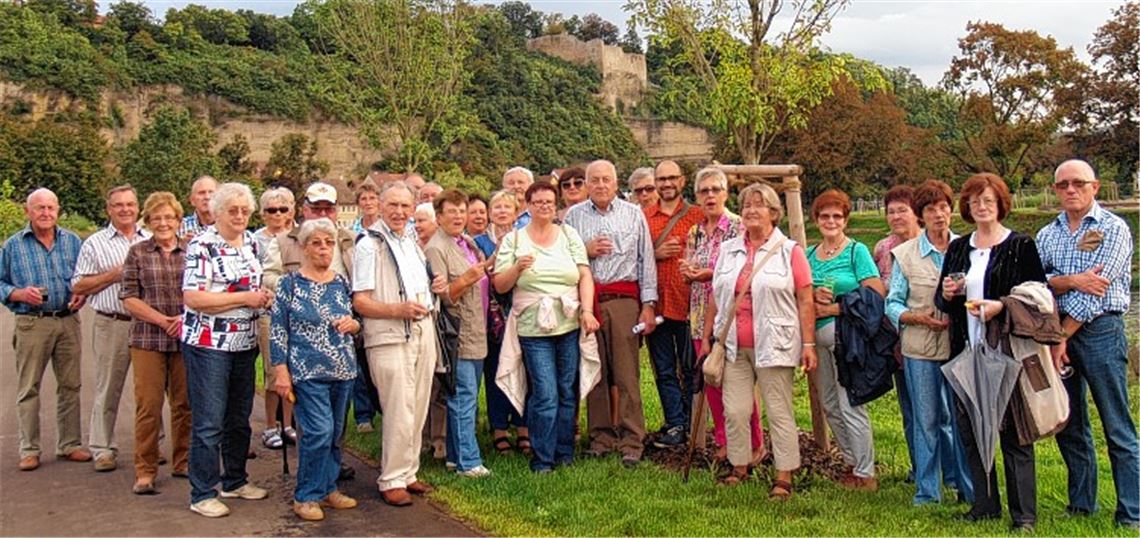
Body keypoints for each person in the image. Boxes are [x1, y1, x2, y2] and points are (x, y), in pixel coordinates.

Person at [935, 173, 1046, 531]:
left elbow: (1037, 297)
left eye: (988, 200)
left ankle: (1023, 514)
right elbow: (942, 299)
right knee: (971, 429)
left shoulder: (1020, 245)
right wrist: (949, 295)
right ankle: (984, 504)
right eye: (974, 201)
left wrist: (1000, 305)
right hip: (966, 349)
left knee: (1013, 432)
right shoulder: (958, 248)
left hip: (1007, 350)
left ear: (1000, 204)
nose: (981, 207)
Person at [1037, 159, 1138, 529]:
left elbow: (1099, 289)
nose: (1070, 190)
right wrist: (1072, 280)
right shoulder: (1048, 234)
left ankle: (1132, 512)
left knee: (1117, 425)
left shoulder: (1114, 228)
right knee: (1070, 422)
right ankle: (1082, 503)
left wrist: (1062, 334)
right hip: (1056, 336)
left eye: (1078, 183)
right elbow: (1038, 282)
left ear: (1094, 186)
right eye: (1062, 184)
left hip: (1098, 331)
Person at [701, 182, 817, 494]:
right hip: (732, 345)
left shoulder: (789, 251)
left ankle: (784, 475)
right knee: (735, 410)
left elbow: (805, 299)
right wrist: (707, 335)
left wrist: (808, 344)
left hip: (775, 343)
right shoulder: (728, 250)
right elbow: (716, 294)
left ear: (774, 212)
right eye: (747, 205)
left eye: (759, 204)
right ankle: (741, 464)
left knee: (779, 411)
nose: (752, 210)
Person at [353, 181, 446, 507]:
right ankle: (390, 478)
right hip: (389, 334)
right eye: (393, 205)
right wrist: (397, 310)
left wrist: (435, 285)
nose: (399, 212)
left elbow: (416, 287)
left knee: (418, 404)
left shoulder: (411, 241)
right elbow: (361, 302)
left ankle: (408, 472)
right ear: (379, 204)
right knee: (398, 407)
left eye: (406, 206)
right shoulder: (369, 244)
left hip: (422, 329)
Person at [181, 182, 272, 518]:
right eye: (232, 210)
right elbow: (194, 297)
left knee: (239, 418)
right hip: (209, 344)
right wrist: (243, 298)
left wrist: (261, 297)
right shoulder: (202, 244)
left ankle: (234, 480)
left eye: (244, 210)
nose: (239, 216)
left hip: (244, 342)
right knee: (208, 421)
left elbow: (253, 285)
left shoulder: (250, 242)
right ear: (217, 212)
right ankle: (202, 492)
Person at [494, 182, 599, 472]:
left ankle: (564, 453)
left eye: (549, 202)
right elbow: (500, 284)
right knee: (545, 392)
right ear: (527, 205)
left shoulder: (568, 235)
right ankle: (542, 458)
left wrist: (587, 311)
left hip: (567, 323)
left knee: (567, 389)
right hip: (532, 328)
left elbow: (584, 275)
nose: (544, 206)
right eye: (538, 201)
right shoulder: (515, 240)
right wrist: (517, 268)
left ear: (556, 205)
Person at [563, 159, 658, 467]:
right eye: (595, 180)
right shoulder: (573, 217)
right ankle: (601, 437)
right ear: (586, 184)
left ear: (616, 184)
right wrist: (585, 251)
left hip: (624, 300)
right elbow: (563, 258)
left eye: (607, 179)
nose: (601, 185)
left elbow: (646, 261)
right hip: (588, 301)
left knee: (627, 374)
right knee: (595, 372)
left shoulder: (633, 214)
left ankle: (632, 438)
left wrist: (648, 305)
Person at [884, 180, 973, 506]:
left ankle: (968, 487)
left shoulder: (968, 248)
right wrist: (916, 317)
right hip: (920, 347)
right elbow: (891, 303)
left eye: (943, 207)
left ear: (951, 210)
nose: (939, 214)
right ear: (921, 215)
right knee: (926, 420)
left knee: (961, 420)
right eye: (931, 209)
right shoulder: (905, 254)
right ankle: (927, 492)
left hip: (959, 347)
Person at [270, 218, 361, 521]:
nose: (324, 248)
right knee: (317, 432)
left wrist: (354, 324)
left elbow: (355, 319)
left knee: (335, 433)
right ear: (304, 247)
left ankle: (328, 488)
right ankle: (306, 495)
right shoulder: (290, 283)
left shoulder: (341, 282)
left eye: (329, 242)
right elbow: (278, 330)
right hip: (307, 370)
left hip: (343, 368)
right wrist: (280, 372)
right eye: (317, 243)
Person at [0, 188, 91, 472]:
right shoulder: (13, 246)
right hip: (32, 322)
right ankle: (29, 449)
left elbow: (84, 278)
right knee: (29, 388)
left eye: (50, 208)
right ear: (28, 212)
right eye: (39, 208)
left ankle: (70, 444)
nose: (45, 213)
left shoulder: (73, 242)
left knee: (70, 385)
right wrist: (17, 294)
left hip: (66, 319)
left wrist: (83, 295)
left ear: (58, 211)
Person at [263, 182, 358, 449]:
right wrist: (297, 290)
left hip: (340, 351)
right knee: (317, 429)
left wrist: (354, 324)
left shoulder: (349, 238)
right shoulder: (285, 241)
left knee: (335, 427)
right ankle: (312, 485)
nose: (323, 214)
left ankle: (330, 476)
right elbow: (268, 276)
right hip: (304, 348)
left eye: (329, 208)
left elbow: (356, 290)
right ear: (305, 209)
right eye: (317, 208)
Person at [682, 168, 763, 462]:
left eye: (716, 189)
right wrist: (688, 273)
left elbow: (746, 270)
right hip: (701, 316)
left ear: (726, 193)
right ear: (697, 197)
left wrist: (708, 274)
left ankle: (753, 443)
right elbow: (691, 267)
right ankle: (724, 440)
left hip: (733, 318)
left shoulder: (740, 227)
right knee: (712, 380)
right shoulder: (695, 231)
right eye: (704, 191)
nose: (710, 195)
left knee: (738, 387)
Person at [807, 188, 884, 491]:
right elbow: (800, 292)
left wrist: (837, 305)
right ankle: (851, 461)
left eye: (837, 216)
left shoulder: (856, 252)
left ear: (846, 220)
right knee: (829, 403)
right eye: (825, 216)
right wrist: (812, 296)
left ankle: (866, 472)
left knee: (849, 402)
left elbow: (875, 291)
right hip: (816, 336)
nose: (831, 221)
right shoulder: (810, 254)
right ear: (816, 219)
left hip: (846, 337)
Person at [70, 185, 150, 473]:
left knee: (150, 389)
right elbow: (78, 285)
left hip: (145, 323)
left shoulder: (151, 238)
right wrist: (116, 273)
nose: (125, 209)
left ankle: (151, 445)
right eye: (119, 205)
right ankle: (102, 448)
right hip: (112, 321)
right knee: (108, 386)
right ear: (109, 209)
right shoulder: (95, 243)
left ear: (138, 207)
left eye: (130, 204)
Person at [120, 192, 191, 494]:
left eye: (169, 217)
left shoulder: (192, 250)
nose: (163, 223)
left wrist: (184, 319)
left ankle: (184, 461)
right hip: (148, 338)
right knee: (148, 406)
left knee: (185, 404)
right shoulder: (137, 252)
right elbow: (129, 297)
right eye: (156, 218)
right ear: (148, 222)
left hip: (185, 337)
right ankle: (145, 470)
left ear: (178, 220)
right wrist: (163, 320)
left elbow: (204, 289)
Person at [425, 189, 494, 477]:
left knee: (466, 395)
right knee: (463, 397)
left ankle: (455, 456)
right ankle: (468, 461)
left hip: (477, 330)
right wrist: (468, 278)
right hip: (458, 333)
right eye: (451, 211)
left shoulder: (466, 242)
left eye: (461, 211)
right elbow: (443, 297)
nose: (458, 216)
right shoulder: (436, 248)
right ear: (439, 217)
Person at [643, 160, 704, 447]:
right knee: (664, 368)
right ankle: (675, 424)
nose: (666, 184)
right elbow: (634, 259)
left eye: (672, 178)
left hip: (690, 304)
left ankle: (693, 423)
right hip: (656, 306)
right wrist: (655, 253)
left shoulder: (698, 215)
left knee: (691, 368)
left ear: (682, 181)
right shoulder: (643, 218)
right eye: (661, 179)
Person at [473, 190, 530, 454]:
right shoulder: (477, 242)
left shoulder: (525, 238)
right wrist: (497, 255)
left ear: (517, 212)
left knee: (523, 370)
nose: (502, 211)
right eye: (497, 207)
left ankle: (523, 427)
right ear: (489, 213)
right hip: (492, 318)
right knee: (496, 370)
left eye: (508, 206)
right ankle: (498, 428)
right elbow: (477, 272)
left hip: (521, 313)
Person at [872, 185, 921, 484]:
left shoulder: (931, 244)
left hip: (929, 334)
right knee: (910, 408)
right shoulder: (882, 249)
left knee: (940, 410)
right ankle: (919, 468)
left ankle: (949, 470)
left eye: (902, 209)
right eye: (891, 211)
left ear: (917, 212)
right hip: (895, 337)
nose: (896, 216)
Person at [180, 175, 217, 239]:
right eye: (201, 193)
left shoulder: (229, 226)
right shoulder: (179, 227)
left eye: (211, 192)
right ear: (192, 200)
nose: (207, 197)